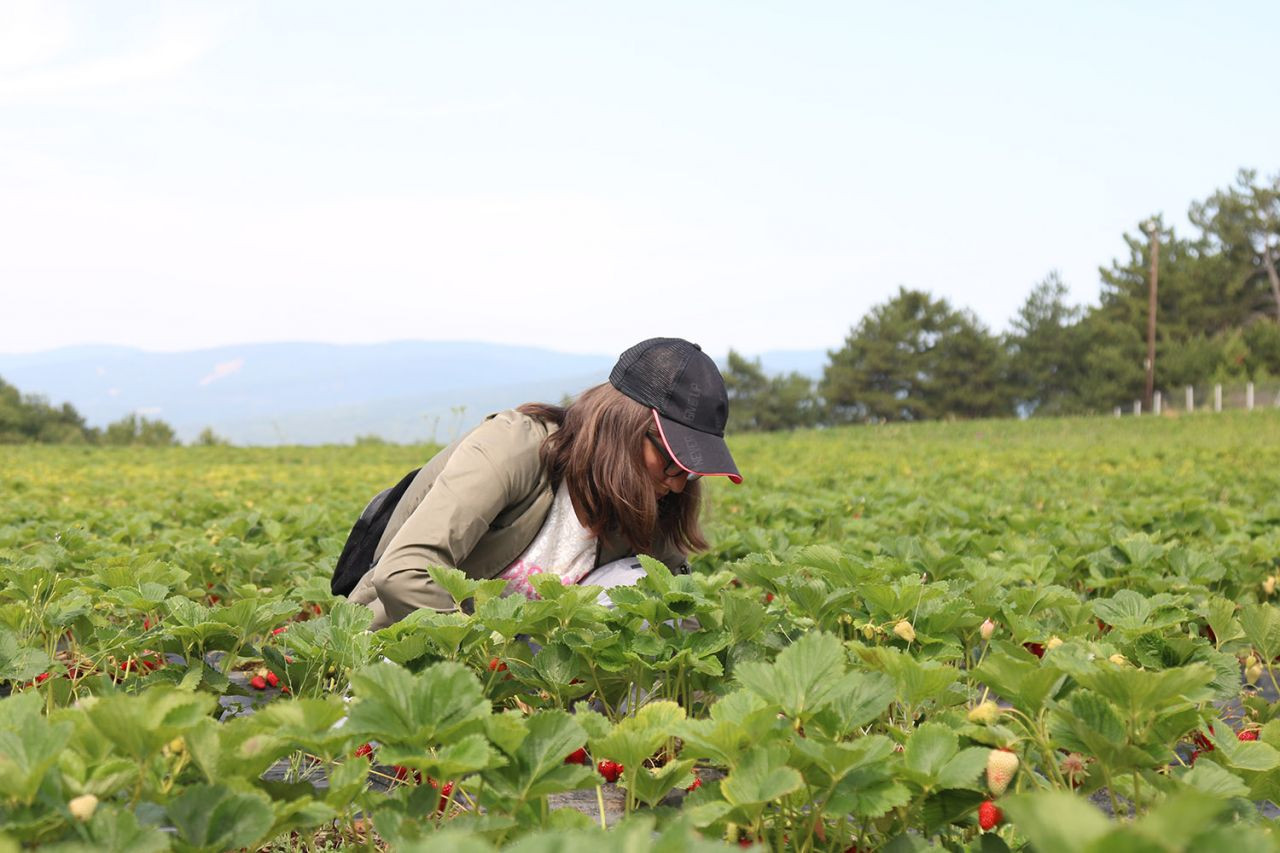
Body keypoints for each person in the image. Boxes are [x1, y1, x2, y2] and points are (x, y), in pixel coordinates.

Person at [348, 337, 743, 629]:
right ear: (622, 427)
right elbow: (404, 573)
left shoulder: (642, 502)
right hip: (415, 644)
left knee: (646, 586)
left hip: (525, 671)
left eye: (692, 472)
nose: (677, 485)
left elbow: (678, 606)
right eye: (674, 462)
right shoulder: (512, 448)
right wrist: (481, 666)